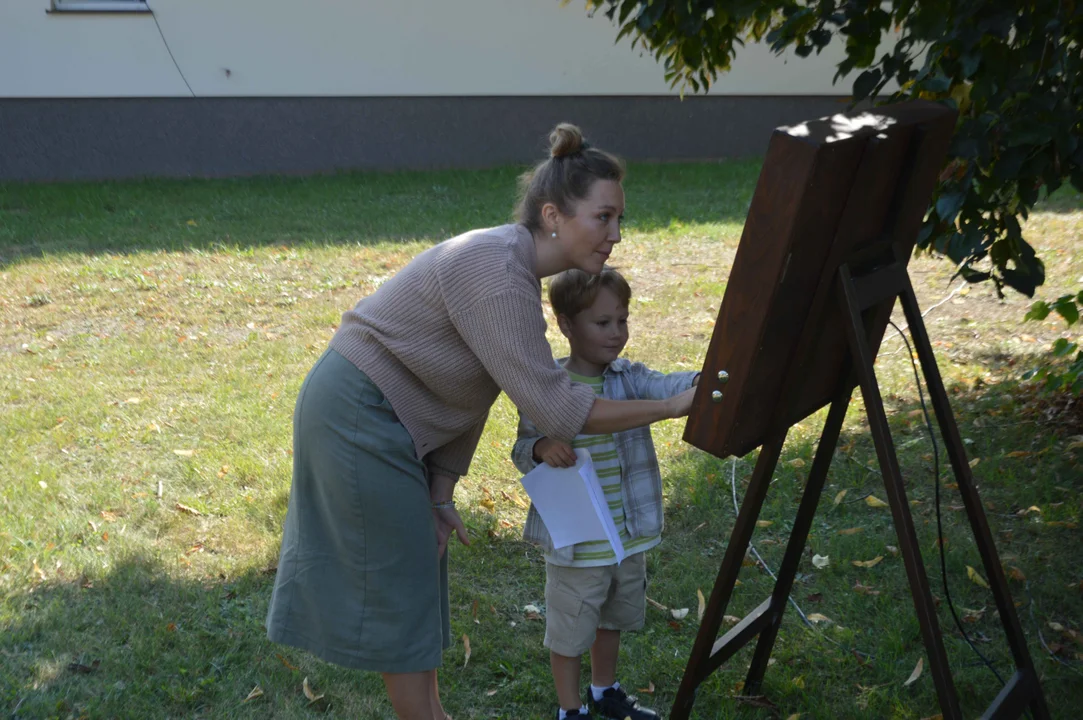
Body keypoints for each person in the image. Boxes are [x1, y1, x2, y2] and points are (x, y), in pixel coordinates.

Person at [264, 123, 698, 720]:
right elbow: (558, 409)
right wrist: (670, 406)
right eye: (603, 218)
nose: (615, 235)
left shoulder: (513, 273)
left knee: (417, 574)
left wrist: (441, 489)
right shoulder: (496, 270)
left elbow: (474, 389)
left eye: (619, 220)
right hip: (357, 412)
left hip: (391, 416)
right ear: (553, 214)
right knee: (400, 583)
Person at [511, 267, 699, 720]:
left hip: (626, 536)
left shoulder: (627, 377)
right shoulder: (548, 387)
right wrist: (541, 446)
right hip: (579, 544)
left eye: (623, 319)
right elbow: (521, 447)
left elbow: (668, 384)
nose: (617, 333)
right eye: (602, 323)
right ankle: (570, 710)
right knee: (570, 629)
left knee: (611, 618)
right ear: (566, 325)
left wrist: (705, 379)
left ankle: (604, 689)